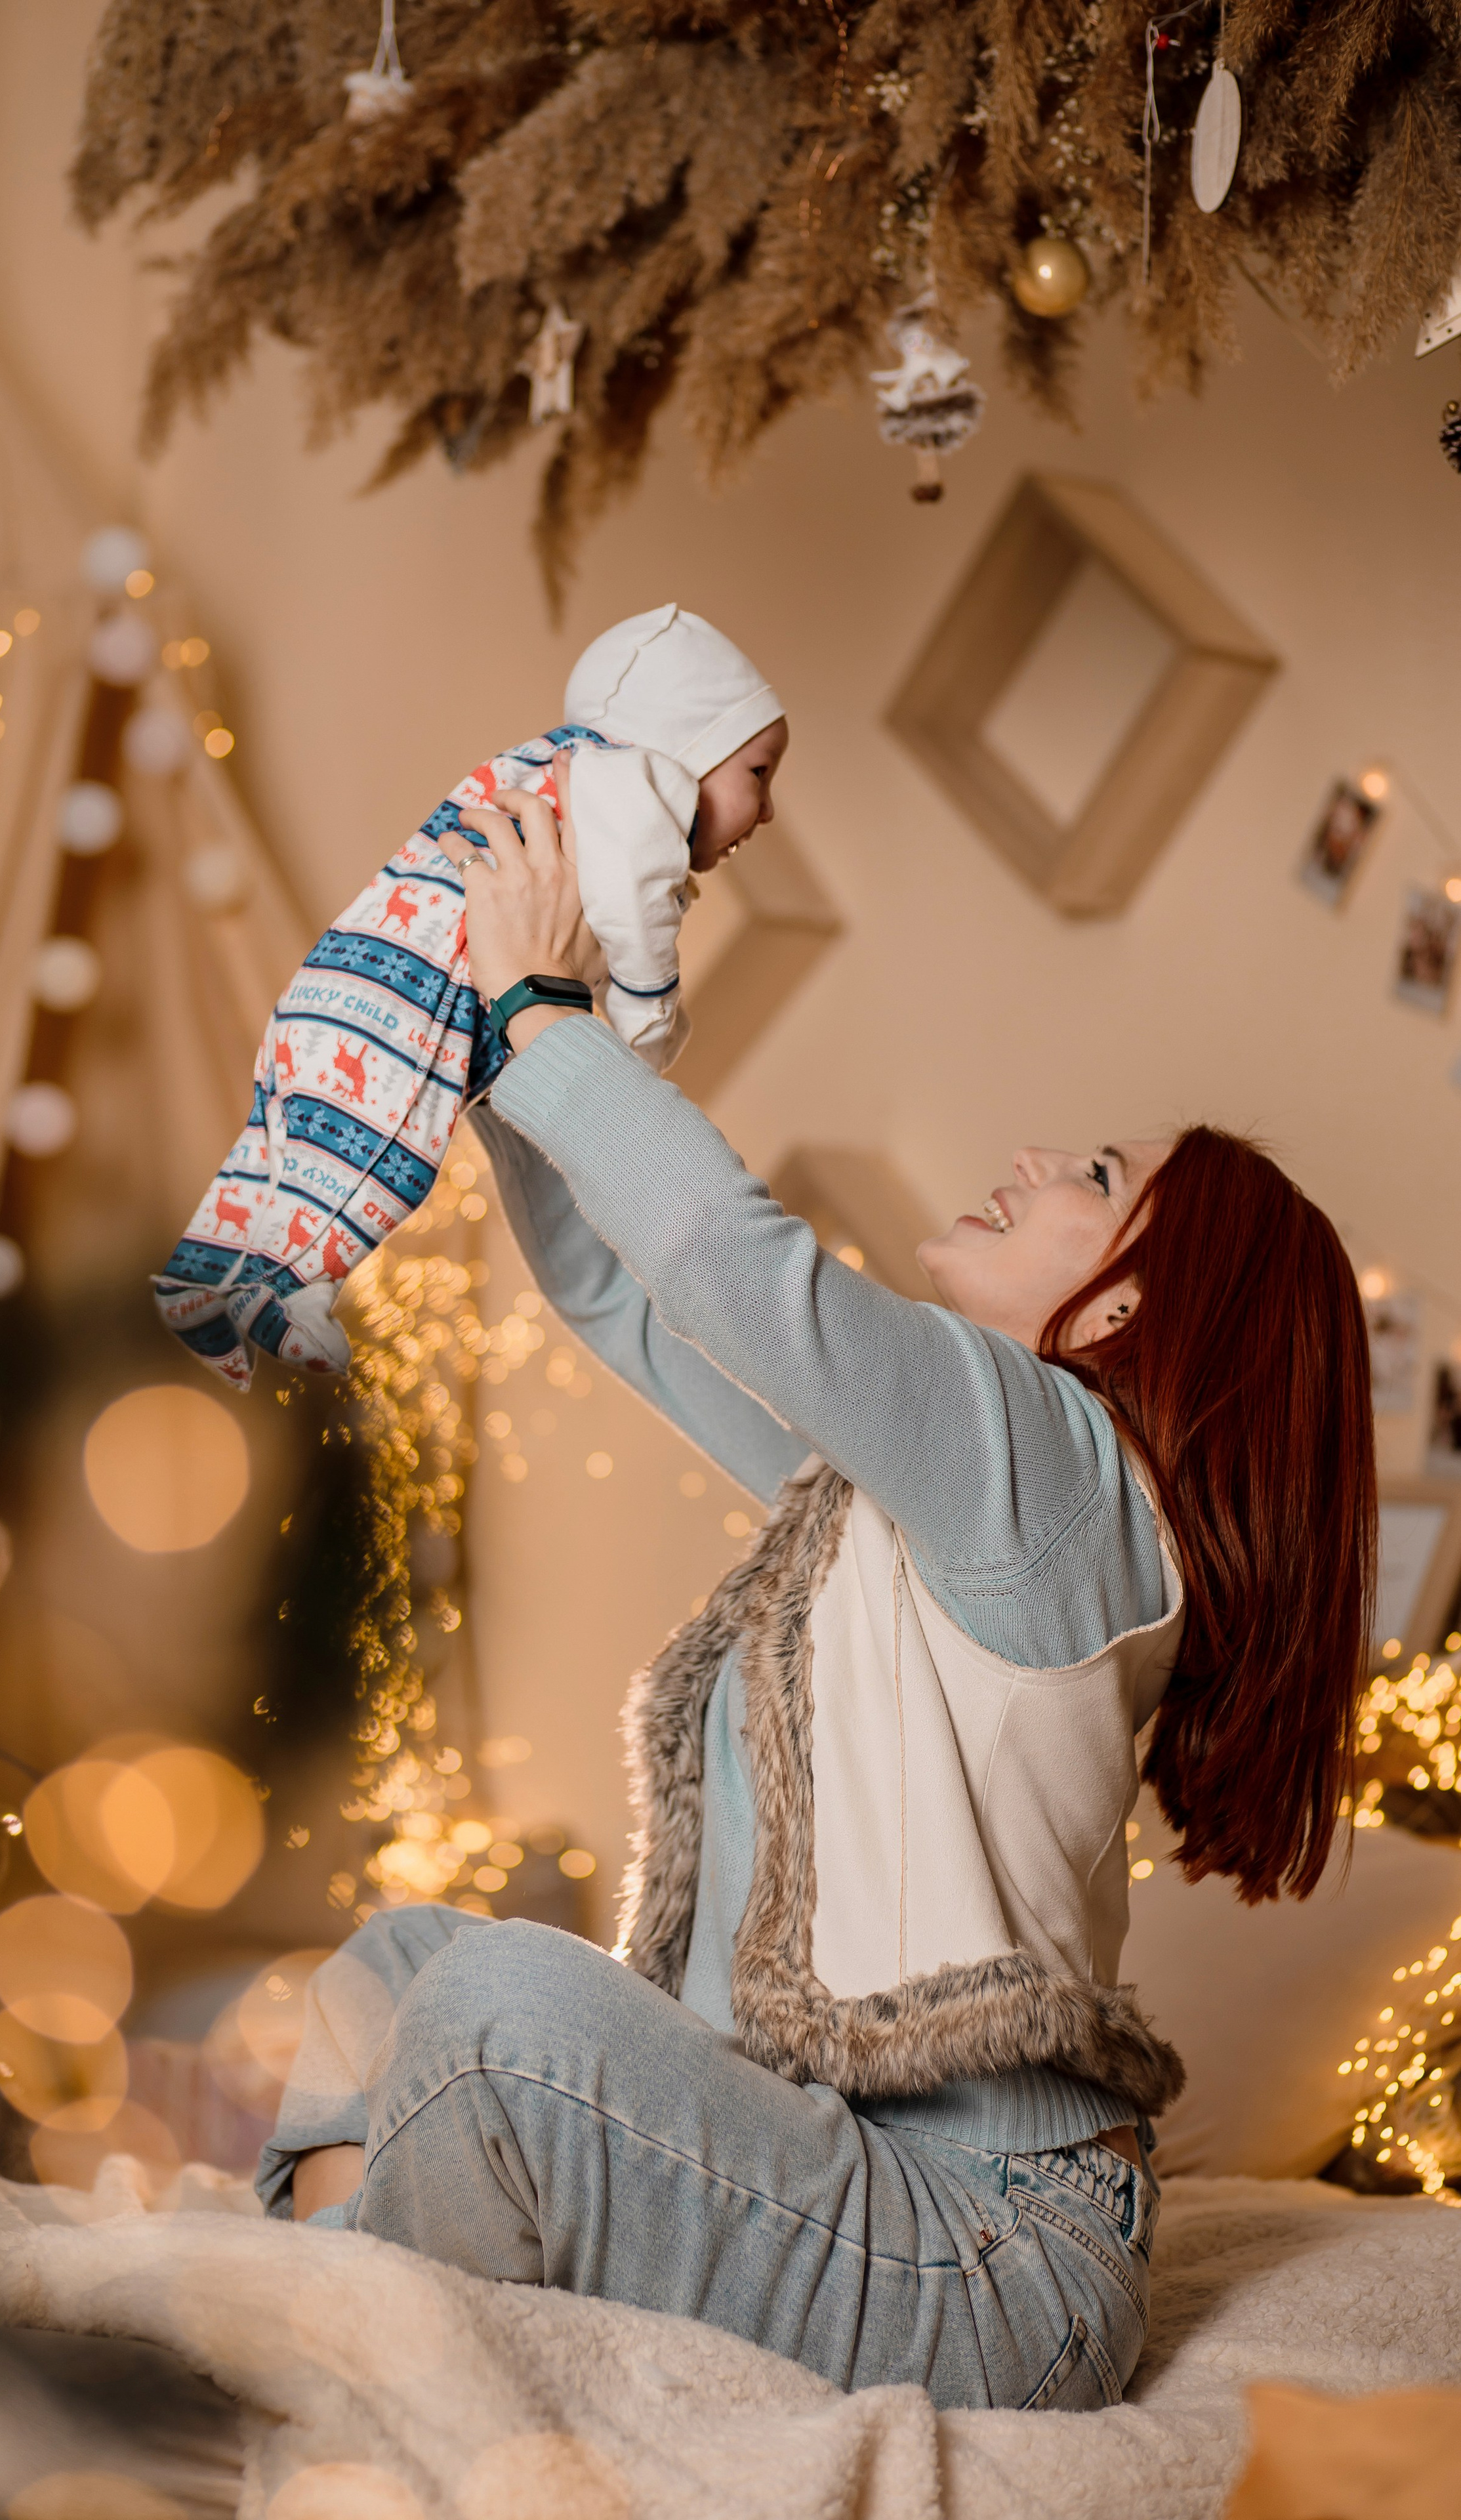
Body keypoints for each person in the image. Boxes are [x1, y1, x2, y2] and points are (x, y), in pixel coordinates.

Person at [258, 766, 1376, 2410]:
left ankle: (354, 2352)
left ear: (1131, 1307)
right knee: (407, 1960)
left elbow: (731, 1264)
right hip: (849, 2168)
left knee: (498, 2011)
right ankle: (336, 2305)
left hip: (987, 2254)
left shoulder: (1056, 1469)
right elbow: (630, 1298)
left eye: (1088, 1175)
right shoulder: (931, 1496)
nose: (1027, 1159)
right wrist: (492, 1033)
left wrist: (539, 1008)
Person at [151, 604, 786, 1388]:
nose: (768, 809)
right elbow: (637, 914)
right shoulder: (634, 785)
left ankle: (196, 1277)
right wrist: (647, 1021)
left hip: (338, 981)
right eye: (758, 772)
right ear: (688, 741)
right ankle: (287, 1293)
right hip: (410, 1014)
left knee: (277, 1144)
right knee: (383, 1160)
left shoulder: (545, 768)